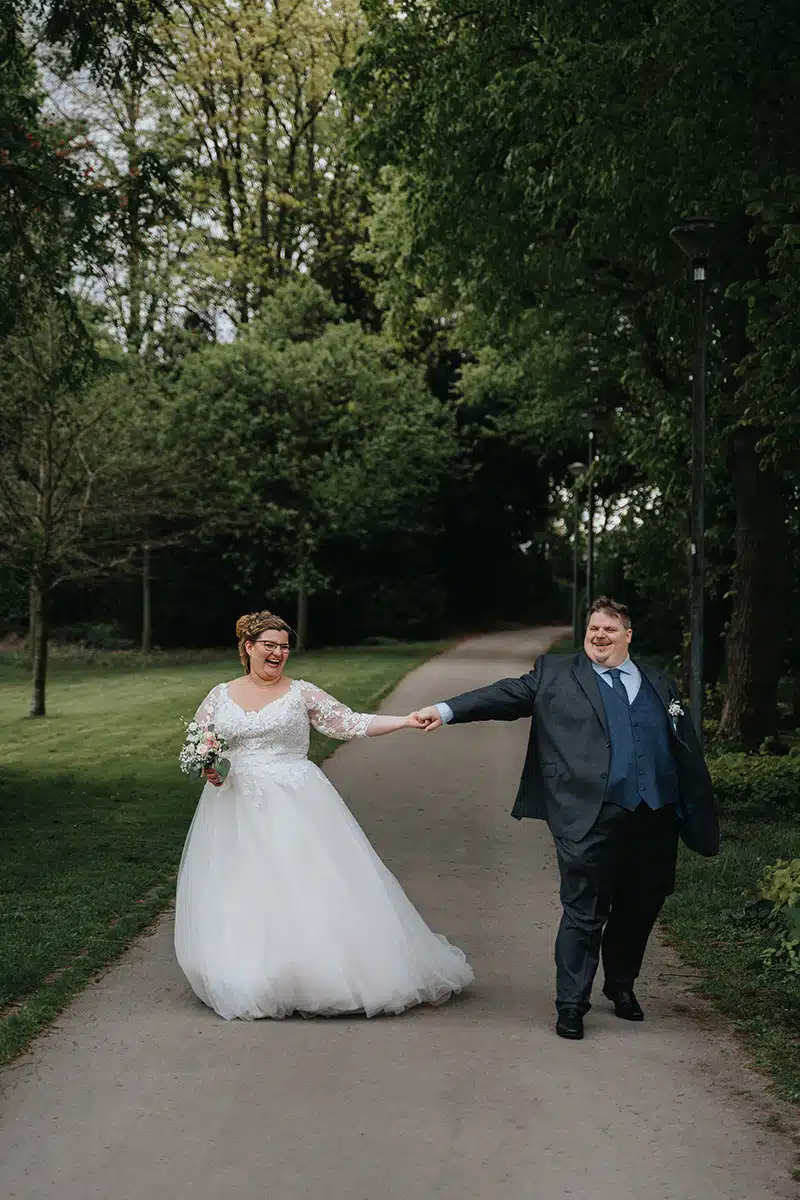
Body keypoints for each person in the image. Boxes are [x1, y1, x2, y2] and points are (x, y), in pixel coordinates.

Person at [414, 597, 718, 1041]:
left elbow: (684, 747)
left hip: (655, 815)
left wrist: (693, 805)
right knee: (584, 909)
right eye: (593, 628)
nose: (599, 636)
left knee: (640, 906)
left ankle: (620, 984)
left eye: (609, 630)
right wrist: (444, 711)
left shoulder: (659, 682)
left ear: (627, 635)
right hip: (587, 813)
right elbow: (503, 695)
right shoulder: (555, 674)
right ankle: (571, 1004)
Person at [174, 610, 473, 1021]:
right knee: (239, 886)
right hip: (234, 803)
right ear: (248, 648)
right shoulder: (220, 695)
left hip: (296, 798)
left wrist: (404, 720)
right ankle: (247, 972)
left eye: (284, 647)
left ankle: (320, 972)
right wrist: (210, 767)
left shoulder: (301, 693)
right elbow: (203, 743)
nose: (278, 653)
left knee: (307, 882)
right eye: (270, 645)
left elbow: (349, 723)